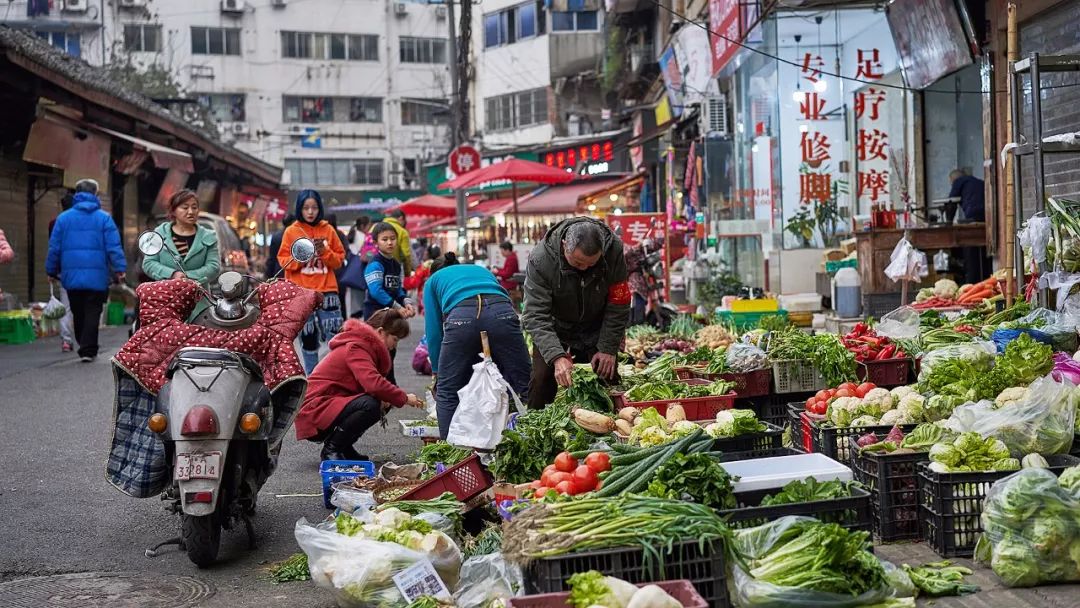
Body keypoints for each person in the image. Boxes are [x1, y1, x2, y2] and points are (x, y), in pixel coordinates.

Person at [521, 217, 630, 408]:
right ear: (565, 246)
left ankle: (612, 430)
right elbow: (535, 315)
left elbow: (618, 302)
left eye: (591, 264)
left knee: (607, 379)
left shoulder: (613, 251)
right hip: (556, 326)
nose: (585, 269)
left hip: (597, 324)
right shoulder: (541, 260)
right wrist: (557, 356)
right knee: (541, 380)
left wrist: (607, 347)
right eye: (579, 263)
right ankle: (534, 424)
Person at [424, 252, 531, 438]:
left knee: (447, 391)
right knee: (526, 383)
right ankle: (540, 441)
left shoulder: (433, 281)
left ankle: (452, 455)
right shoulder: (480, 269)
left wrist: (437, 372)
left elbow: (434, 332)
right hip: (502, 313)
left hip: (461, 319)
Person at [294, 309, 423, 461]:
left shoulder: (362, 345)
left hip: (326, 405)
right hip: (315, 409)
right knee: (370, 405)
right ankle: (332, 449)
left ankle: (344, 446)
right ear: (381, 332)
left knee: (381, 401)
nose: (394, 346)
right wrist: (404, 398)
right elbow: (373, 384)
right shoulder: (356, 346)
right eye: (394, 339)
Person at [45, 178, 127, 362]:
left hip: (71, 276)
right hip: (97, 276)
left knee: (78, 311)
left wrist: (51, 270)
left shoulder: (63, 219)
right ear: (95, 194)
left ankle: (85, 344)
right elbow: (114, 246)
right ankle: (88, 348)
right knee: (93, 311)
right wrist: (120, 268)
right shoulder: (104, 218)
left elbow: (54, 248)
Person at [277, 189, 346, 374]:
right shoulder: (292, 231)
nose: (310, 212)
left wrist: (324, 251)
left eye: (314, 207)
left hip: (328, 291)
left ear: (319, 209)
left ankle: (335, 375)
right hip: (301, 293)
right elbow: (283, 261)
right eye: (306, 207)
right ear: (299, 208)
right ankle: (312, 379)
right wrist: (302, 256)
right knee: (308, 338)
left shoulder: (328, 230)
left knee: (334, 336)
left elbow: (339, 260)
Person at [141, 189, 220, 320]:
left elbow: (214, 266)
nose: (191, 212)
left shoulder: (208, 236)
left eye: (194, 207)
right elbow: (149, 263)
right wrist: (172, 274)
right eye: (185, 207)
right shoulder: (159, 234)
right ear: (173, 211)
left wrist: (187, 278)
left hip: (199, 303)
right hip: (166, 301)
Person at [364, 221, 416, 385]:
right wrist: (398, 307)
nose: (389, 242)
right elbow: (376, 291)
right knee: (377, 351)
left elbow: (399, 288)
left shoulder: (396, 264)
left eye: (392, 238)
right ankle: (378, 385)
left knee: (390, 350)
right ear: (376, 242)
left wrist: (407, 303)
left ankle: (389, 384)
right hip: (376, 315)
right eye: (384, 239)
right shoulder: (375, 264)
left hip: (392, 315)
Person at [948, 169, 988, 284]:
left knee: (971, 250)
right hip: (987, 216)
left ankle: (972, 281)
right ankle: (984, 278)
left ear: (952, 180)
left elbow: (951, 202)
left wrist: (949, 221)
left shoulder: (958, 181)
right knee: (982, 252)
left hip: (973, 215)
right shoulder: (978, 182)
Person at [47, 194, 76, 351]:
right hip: (82, 270)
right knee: (81, 304)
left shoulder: (55, 223)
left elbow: (53, 249)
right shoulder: (80, 222)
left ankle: (66, 339)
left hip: (63, 271)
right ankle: (84, 337)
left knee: (66, 306)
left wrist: (51, 270)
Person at [345, 216, 377, 318]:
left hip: (352, 272)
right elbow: (368, 254)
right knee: (362, 301)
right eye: (369, 225)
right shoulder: (365, 237)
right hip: (361, 272)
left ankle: (354, 320)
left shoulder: (352, 234)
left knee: (353, 302)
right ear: (363, 226)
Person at [325, 213, 351, 318]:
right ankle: (343, 322)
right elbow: (346, 252)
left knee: (328, 303)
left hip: (327, 274)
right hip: (340, 273)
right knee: (341, 301)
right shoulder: (340, 234)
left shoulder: (324, 234)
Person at [381, 208, 414, 276]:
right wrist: (407, 272)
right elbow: (406, 255)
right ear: (401, 218)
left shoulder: (375, 227)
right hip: (393, 269)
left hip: (374, 267)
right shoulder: (402, 232)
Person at [264, 214, 295, 279]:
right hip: (293, 272)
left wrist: (268, 275)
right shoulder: (296, 236)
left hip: (279, 272)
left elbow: (272, 258)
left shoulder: (276, 236)